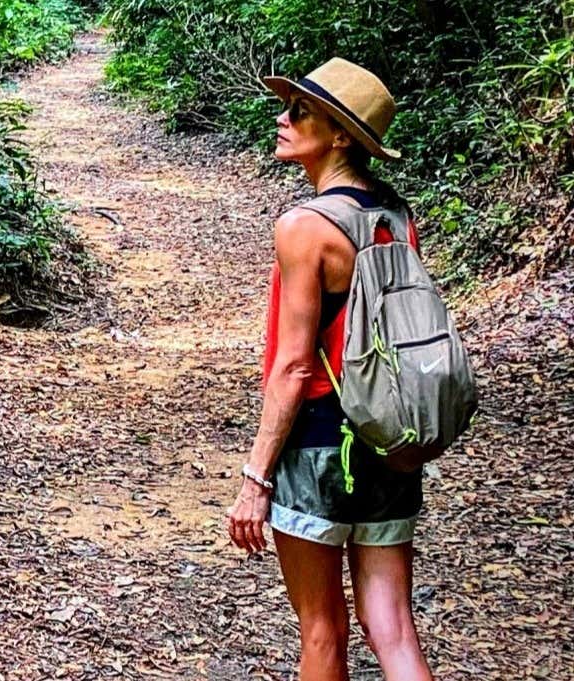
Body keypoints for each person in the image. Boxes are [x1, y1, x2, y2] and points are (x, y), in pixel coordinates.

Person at [224, 58, 435, 681]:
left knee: (322, 630)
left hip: (319, 438)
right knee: (392, 626)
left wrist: (255, 477)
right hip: (389, 435)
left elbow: (293, 367)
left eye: (300, 112)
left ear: (340, 135)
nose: (283, 119)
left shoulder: (304, 227)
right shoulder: (394, 217)